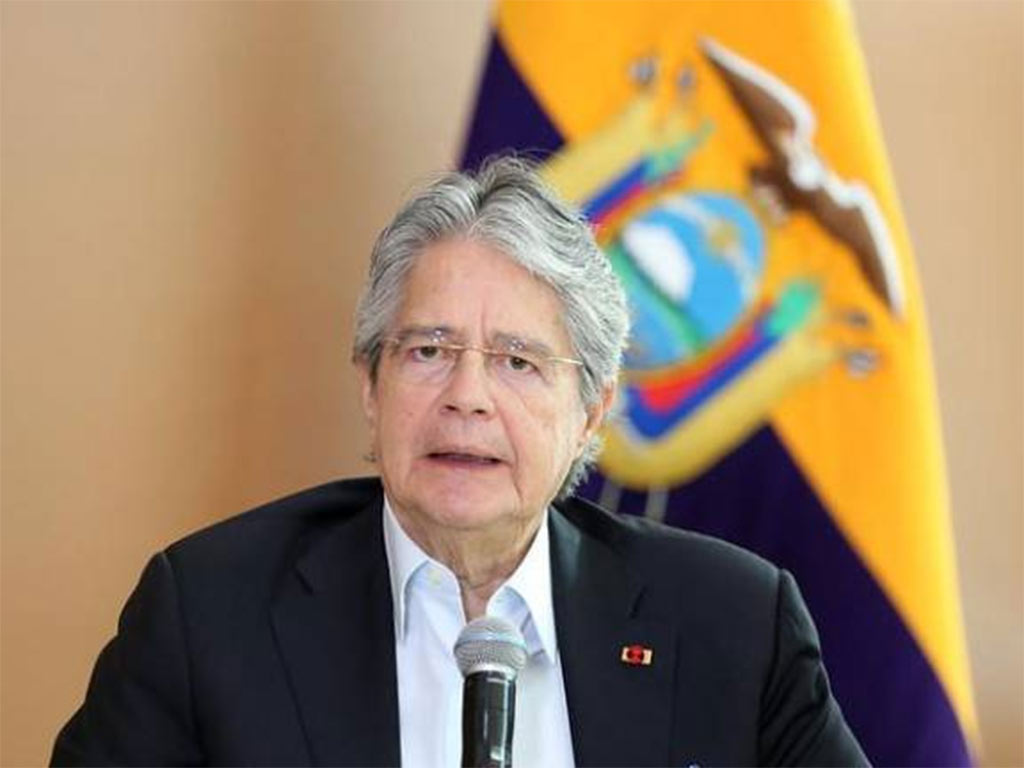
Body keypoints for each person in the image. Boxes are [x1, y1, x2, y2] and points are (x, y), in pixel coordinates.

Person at [52, 157, 868, 767]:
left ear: (591, 410)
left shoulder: (732, 623)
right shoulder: (207, 615)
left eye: (518, 361)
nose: (467, 397)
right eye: (429, 351)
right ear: (371, 385)